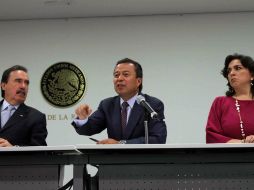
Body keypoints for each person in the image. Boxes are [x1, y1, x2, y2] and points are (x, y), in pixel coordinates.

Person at [72, 58, 167, 144]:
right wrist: (82, 118)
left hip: (141, 160)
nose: (119, 79)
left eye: (125, 75)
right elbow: (88, 129)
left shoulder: (151, 104)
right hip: (114, 161)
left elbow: (158, 138)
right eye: (116, 75)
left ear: (138, 81)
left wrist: (120, 143)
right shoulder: (107, 105)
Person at [206, 53, 254, 143]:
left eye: (238, 68)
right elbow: (211, 136)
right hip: (228, 156)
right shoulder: (220, 102)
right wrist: (241, 143)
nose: (231, 73)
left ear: (252, 75)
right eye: (229, 71)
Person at [0, 65, 47, 147]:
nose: (23, 86)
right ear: (4, 85)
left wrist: (14, 149)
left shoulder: (36, 117)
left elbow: (40, 154)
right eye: (18, 81)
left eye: (26, 83)